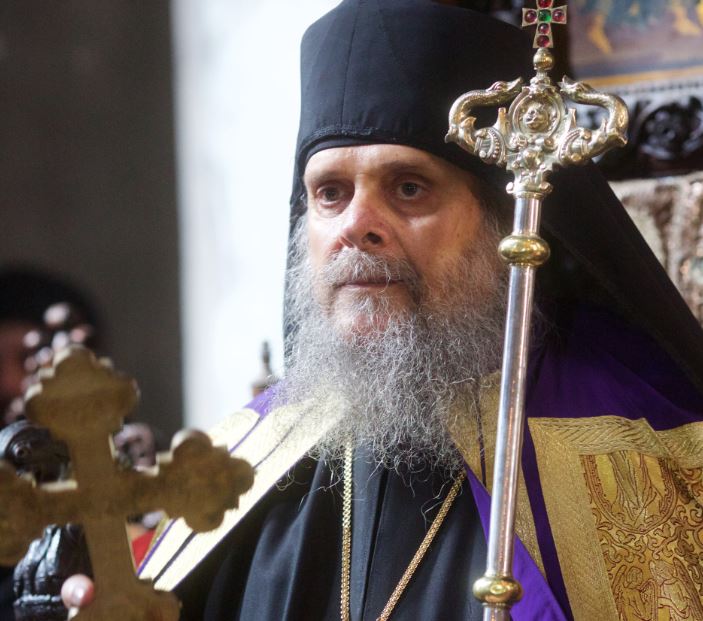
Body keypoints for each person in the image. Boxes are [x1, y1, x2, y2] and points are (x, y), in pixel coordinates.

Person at [63, 1, 703, 620]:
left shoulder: (631, 453)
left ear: (503, 227)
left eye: (408, 188)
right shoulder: (249, 460)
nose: (356, 225)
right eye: (330, 194)